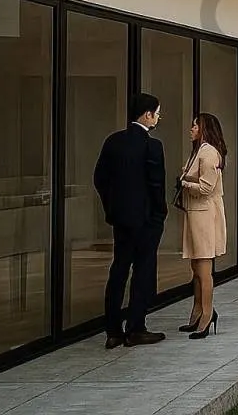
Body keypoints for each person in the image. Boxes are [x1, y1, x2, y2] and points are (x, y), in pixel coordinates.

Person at [93, 92, 168, 349]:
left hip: (121, 220)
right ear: (147, 114)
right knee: (143, 271)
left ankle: (113, 330)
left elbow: (99, 179)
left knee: (119, 270)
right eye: (156, 114)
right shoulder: (152, 146)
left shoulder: (113, 142)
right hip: (146, 220)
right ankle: (136, 328)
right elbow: (156, 185)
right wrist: (160, 214)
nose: (157, 118)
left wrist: (112, 208)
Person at [178, 113, 228, 339]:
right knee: (196, 268)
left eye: (195, 126)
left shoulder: (208, 153)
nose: (191, 129)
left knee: (204, 269)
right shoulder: (199, 152)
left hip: (205, 216)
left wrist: (184, 183)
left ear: (204, 129)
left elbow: (206, 188)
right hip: (196, 215)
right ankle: (198, 310)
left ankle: (207, 314)